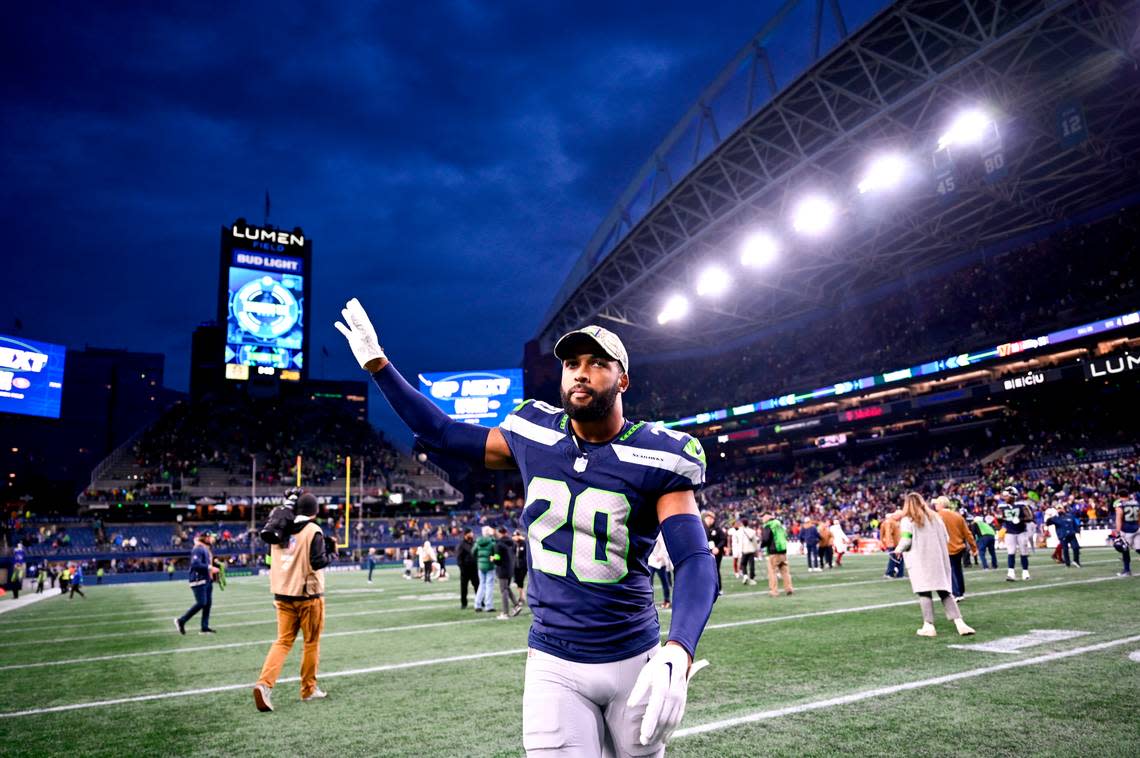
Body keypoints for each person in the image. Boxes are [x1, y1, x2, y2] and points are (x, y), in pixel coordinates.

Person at [337, 303, 717, 754]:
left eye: (598, 363)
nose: (581, 373)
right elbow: (441, 432)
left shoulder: (659, 454)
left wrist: (680, 647)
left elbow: (693, 558)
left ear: (623, 380)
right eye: (572, 363)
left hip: (635, 658)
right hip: (553, 660)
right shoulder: (532, 430)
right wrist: (379, 366)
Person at [254, 492, 336, 712]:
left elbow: (270, 560)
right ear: (314, 511)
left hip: (282, 595)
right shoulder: (312, 530)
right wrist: (333, 554)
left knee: (282, 642)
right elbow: (318, 562)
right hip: (308, 597)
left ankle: (264, 684)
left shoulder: (278, 531)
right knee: (311, 642)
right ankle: (308, 689)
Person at [893, 493, 975, 637]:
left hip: (920, 560)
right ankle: (960, 623)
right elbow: (946, 538)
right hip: (938, 559)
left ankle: (928, 625)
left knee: (924, 592)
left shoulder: (908, 520)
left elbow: (906, 541)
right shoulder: (936, 517)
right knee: (944, 592)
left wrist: (897, 550)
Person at [174, 532, 219, 634]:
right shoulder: (198, 548)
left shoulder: (206, 549)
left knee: (207, 604)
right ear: (205, 538)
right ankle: (181, 621)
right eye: (210, 537)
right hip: (198, 580)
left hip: (206, 580)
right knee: (202, 602)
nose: (212, 539)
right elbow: (195, 564)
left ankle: (204, 627)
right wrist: (210, 567)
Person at [933, 497, 976, 600]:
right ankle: (960, 592)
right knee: (957, 569)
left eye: (937, 504)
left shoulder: (937, 516)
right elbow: (967, 533)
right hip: (959, 546)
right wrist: (974, 547)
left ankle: (956, 593)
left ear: (941, 504)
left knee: (950, 571)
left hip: (946, 547)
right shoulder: (958, 516)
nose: (935, 506)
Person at [997, 486, 1033, 581]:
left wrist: (1020, 519)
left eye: (1006, 496)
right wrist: (999, 519)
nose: (1004, 498)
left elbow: (1030, 517)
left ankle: (1025, 572)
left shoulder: (1021, 505)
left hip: (1021, 531)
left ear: (1013, 496)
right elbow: (999, 521)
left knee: (1023, 552)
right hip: (1009, 532)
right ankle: (1011, 573)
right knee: (1011, 553)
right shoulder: (1002, 507)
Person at [491, 526, 522, 619]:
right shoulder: (512, 543)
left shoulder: (498, 544)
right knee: (507, 588)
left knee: (503, 590)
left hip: (502, 570)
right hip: (510, 569)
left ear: (500, 533)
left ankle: (505, 613)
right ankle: (516, 605)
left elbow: (497, 558)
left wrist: (493, 559)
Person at [760, 513, 793, 597]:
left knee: (772, 572)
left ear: (766, 518)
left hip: (773, 551)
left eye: (763, 517)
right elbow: (786, 536)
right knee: (785, 571)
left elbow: (766, 539)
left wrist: (762, 545)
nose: (762, 520)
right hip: (782, 551)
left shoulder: (768, 526)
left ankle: (774, 591)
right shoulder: (779, 525)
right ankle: (789, 588)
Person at [1112, 489, 1139, 576]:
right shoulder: (1136, 503)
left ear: (1119, 496)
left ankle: (1127, 570)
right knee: (1138, 549)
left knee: (1125, 550)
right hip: (1137, 528)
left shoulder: (1120, 504)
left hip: (1126, 530)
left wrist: (1118, 531)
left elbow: (1119, 518)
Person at [1046, 503, 1082, 568]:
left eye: (1060, 508)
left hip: (1071, 534)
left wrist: (1078, 531)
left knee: (1076, 547)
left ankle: (1076, 561)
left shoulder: (1070, 516)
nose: (1059, 510)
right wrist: (1049, 516)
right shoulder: (1055, 518)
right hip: (1063, 535)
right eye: (1058, 509)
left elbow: (1075, 524)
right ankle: (1067, 563)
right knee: (1065, 550)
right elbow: (1048, 523)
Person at [473, 526, 497, 612]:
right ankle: (488, 606)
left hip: (480, 566)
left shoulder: (478, 542)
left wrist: (479, 559)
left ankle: (477, 605)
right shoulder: (492, 542)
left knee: (481, 585)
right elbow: (496, 555)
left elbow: (473, 552)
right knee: (489, 586)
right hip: (490, 566)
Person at [702, 511, 727, 591]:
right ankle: (708, 588)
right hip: (705, 553)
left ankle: (718, 588)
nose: (711, 520)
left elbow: (723, 539)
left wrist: (718, 547)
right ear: (706, 518)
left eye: (712, 518)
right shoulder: (701, 528)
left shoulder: (717, 528)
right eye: (709, 518)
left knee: (715, 569)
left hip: (716, 553)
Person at [648, 532, 672, 609]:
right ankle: (649, 601)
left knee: (664, 581)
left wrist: (660, 555)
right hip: (651, 560)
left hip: (660, 562)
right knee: (649, 582)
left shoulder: (659, 532)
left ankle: (667, 600)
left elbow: (663, 545)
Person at [456, 529, 480, 609]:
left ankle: (480, 602)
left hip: (474, 569)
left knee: (477, 586)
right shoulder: (461, 544)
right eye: (470, 533)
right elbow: (459, 558)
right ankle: (464, 603)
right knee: (464, 588)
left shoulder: (474, 543)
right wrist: (462, 569)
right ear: (466, 534)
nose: (472, 534)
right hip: (465, 569)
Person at [880, 509, 905, 578]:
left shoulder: (895, 522)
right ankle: (889, 573)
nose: (901, 518)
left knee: (899, 559)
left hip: (898, 544)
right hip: (894, 544)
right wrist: (890, 544)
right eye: (900, 517)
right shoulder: (890, 522)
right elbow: (888, 534)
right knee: (893, 559)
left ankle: (900, 573)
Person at [738, 518, 758, 586]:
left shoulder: (740, 531)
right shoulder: (752, 531)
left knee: (743, 564)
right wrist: (756, 549)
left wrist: (740, 550)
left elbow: (739, 542)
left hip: (744, 550)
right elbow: (755, 542)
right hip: (751, 550)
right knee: (751, 564)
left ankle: (745, 575)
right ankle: (752, 578)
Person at [512, 529, 528, 604]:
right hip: (516, 565)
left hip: (522, 565)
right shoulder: (514, 544)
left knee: (520, 581)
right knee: (518, 582)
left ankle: (522, 597)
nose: (514, 537)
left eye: (515, 536)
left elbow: (522, 554)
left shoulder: (523, 543)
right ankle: (521, 596)